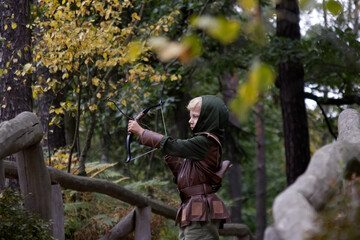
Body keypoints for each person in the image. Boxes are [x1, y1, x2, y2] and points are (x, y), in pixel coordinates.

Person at [128, 95, 231, 240]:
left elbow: (174, 145)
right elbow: (186, 177)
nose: (190, 120)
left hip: (200, 209)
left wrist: (141, 132)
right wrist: (171, 157)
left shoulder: (206, 142)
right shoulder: (201, 145)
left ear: (208, 118)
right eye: (191, 116)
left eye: (195, 116)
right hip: (193, 209)